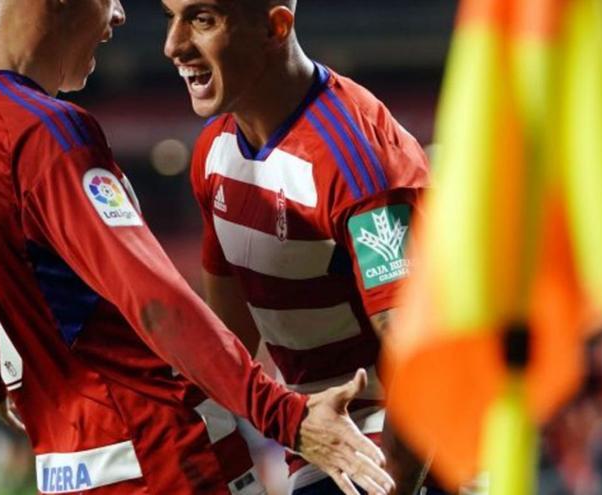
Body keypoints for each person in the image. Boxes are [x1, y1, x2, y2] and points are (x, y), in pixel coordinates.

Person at [0, 1, 394, 494]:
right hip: (160, 456)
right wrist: (285, 417)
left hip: (67, 468)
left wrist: (4, 391)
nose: (118, 13)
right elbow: (155, 301)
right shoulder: (41, 132)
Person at [162, 1, 434, 493]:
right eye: (170, 17)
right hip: (322, 448)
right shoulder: (213, 152)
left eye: (202, 20)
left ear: (275, 26)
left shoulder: (358, 162)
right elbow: (229, 345)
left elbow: (424, 368)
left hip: (399, 455)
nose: (174, 45)